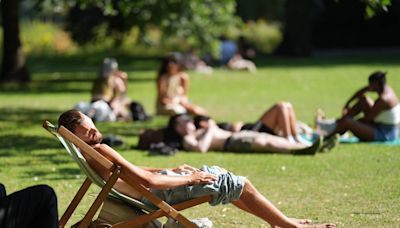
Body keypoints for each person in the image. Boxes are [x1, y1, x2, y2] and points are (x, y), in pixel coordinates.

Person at [58, 109, 335, 228]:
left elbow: (131, 170)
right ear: (76, 136)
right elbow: (146, 181)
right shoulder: (100, 150)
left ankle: (279, 222)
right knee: (238, 183)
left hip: (157, 187)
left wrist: (170, 167)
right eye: (87, 132)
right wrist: (189, 177)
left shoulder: (91, 154)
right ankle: (285, 224)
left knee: (230, 181)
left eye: (91, 125)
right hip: (160, 193)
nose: (94, 132)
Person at [166, 114, 323, 155]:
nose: (189, 122)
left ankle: (308, 146)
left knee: (270, 139)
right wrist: (209, 130)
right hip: (231, 142)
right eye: (184, 121)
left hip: (236, 136)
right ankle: (300, 149)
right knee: (265, 143)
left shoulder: (200, 130)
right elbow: (200, 149)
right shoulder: (188, 139)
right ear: (178, 128)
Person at [195, 102, 313, 146]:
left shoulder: (214, 128)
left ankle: (296, 137)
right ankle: (290, 139)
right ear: (203, 123)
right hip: (252, 132)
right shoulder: (211, 129)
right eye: (209, 120)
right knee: (280, 106)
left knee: (287, 106)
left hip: (253, 128)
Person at [326, 71, 399, 141]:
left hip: (384, 134)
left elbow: (367, 119)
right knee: (364, 100)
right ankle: (338, 125)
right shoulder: (386, 88)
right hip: (377, 124)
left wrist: (353, 122)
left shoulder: (384, 99)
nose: (369, 86)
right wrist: (347, 104)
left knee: (348, 122)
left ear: (376, 84)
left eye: (371, 84)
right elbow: (363, 90)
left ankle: (326, 136)